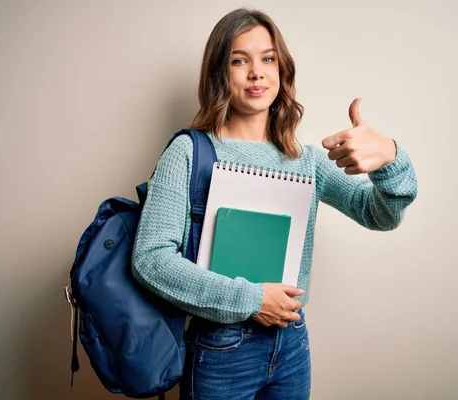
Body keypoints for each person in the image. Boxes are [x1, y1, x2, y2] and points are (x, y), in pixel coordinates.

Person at [131, 7, 418, 400]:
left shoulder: (307, 160)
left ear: (282, 71)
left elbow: (380, 215)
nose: (257, 72)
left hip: (292, 345)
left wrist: (389, 157)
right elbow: (150, 259)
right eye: (239, 60)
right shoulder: (189, 152)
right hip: (220, 348)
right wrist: (251, 300)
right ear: (219, 72)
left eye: (268, 58)